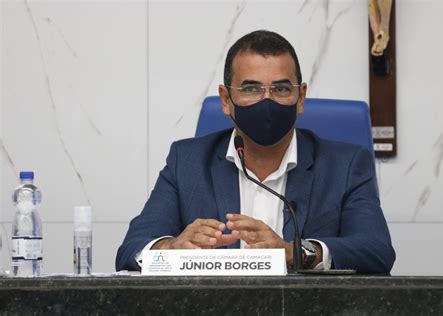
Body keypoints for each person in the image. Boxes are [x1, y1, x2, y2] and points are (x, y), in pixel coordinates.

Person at [116, 30, 395, 273]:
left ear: (301, 98)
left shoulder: (345, 164)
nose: (267, 101)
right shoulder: (186, 161)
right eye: (251, 88)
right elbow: (131, 251)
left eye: (281, 88)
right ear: (226, 100)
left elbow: (376, 250)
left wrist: (294, 252)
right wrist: (171, 249)